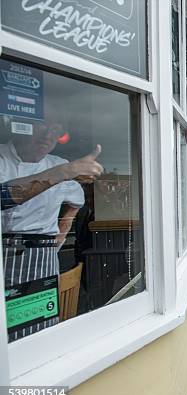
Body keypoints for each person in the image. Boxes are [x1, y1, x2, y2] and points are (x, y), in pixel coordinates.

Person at [1, 120, 104, 342]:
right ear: (22, 125)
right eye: (42, 126)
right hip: (5, 254)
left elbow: (75, 202)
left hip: (43, 256)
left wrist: (58, 236)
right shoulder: (2, 158)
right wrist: (67, 171)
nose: (49, 136)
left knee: (42, 325)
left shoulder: (56, 163)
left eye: (56, 131)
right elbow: (3, 196)